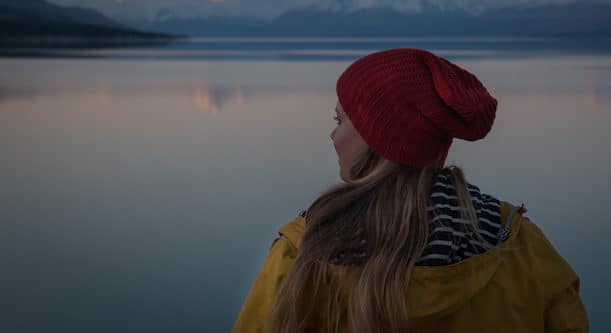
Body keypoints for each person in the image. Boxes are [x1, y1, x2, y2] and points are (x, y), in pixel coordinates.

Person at [232, 48, 588, 333]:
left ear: (378, 137)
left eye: (339, 121)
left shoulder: (307, 250)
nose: (332, 135)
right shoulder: (517, 245)